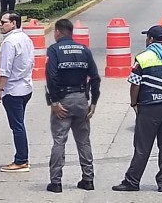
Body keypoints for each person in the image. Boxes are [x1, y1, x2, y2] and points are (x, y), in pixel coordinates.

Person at [112, 25, 162, 193]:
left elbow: (135, 83)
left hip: (149, 108)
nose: (146, 40)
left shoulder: (143, 58)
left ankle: (132, 182)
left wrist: (134, 104)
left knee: (142, 147)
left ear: (151, 40)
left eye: (147, 38)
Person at [45, 19, 101, 194]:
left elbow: (51, 77)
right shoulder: (84, 50)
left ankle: (56, 182)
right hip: (81, 99)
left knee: (59, 141)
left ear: (58, 32)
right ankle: (88, 179)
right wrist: (93, 102)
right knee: (83, 141)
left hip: (63, 100)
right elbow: (95, 77)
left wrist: (54, 102)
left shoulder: (54, 50)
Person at [0, 10, 34, 172]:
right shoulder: (25, 38)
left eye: (4, 22)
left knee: (17, 126)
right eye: (0, 22)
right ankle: (21, 158)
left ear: (14, 23)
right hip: (25, 87)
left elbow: (5, 70)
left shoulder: (9, 43)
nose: (1, 25)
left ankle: (21, 160)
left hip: (13, 90)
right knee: (19, 124)